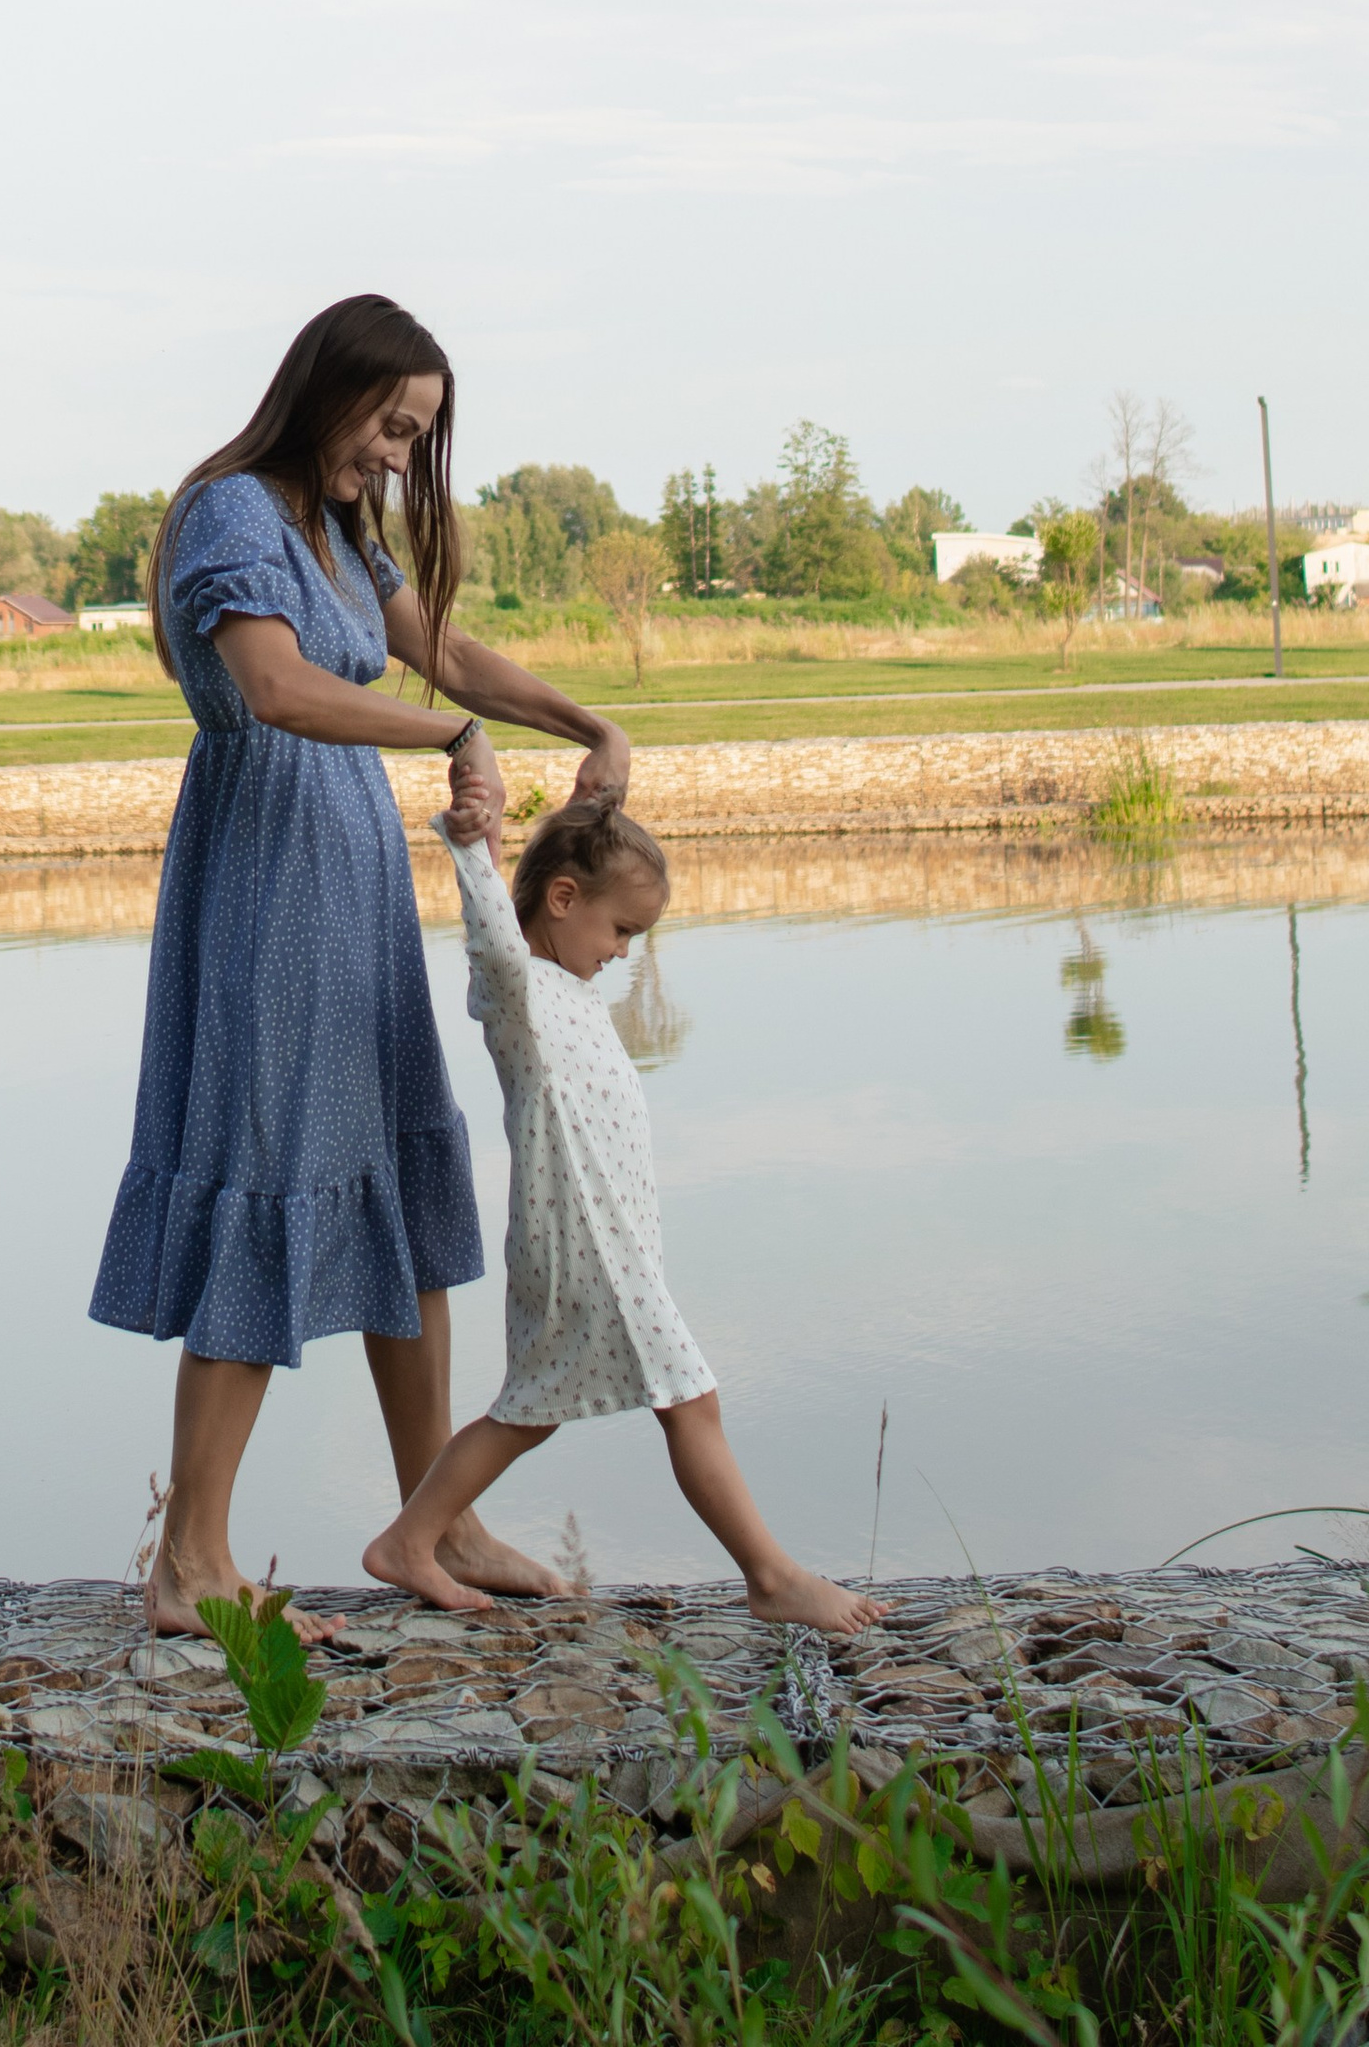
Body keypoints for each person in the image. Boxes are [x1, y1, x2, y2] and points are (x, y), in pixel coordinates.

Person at [89, 293, 636, 1633]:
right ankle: (191, 1565)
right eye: (391, 424)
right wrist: (450, 738)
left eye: (417, 436)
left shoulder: (337, 530)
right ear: (327, 391)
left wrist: (583, 718)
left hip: (355, 889)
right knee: (268, 1180)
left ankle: (432, 1525)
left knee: (398, 1177)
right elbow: (274, 687)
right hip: (268, 889)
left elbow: (436, 646)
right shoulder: (233, 516)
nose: (399, 455)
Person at [360, 763, 887, 1632]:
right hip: (583, 1247)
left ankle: (412, 1537)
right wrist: (473, 855)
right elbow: (495, 935)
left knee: (528, 1413)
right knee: (689, 1398)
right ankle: (770, 1575)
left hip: (608, 1245)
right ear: (562, 901)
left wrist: (523, 837)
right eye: (621, 929)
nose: (625, 952)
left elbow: (550, 892)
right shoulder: (520, 992)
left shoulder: (566, 989)